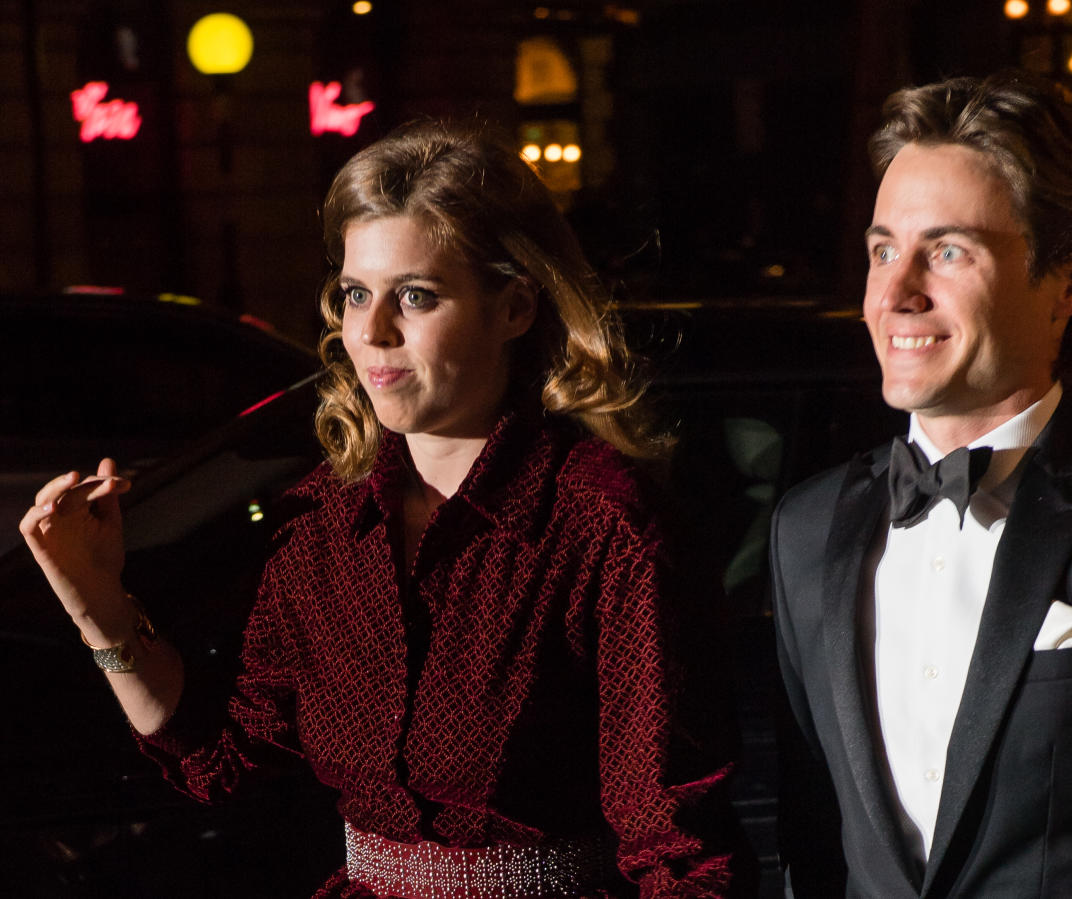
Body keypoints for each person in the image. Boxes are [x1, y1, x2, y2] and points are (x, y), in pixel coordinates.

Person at [20, 120, 741, 898]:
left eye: (417, 296)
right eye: (357, 292)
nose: (370, 332)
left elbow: (685, 858)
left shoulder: (604, 529)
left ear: (516, 306)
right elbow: (226, 765)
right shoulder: (324, 528)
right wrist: (101, 609)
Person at [770, 69, 1072, 897]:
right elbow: (812, 844)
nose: (896, 292)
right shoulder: (805, 530)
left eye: (948, 250)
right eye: (884, 249)